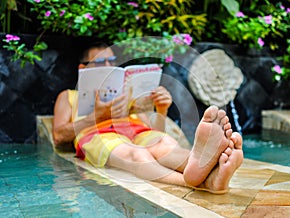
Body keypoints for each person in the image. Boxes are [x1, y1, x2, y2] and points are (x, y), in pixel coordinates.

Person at [52, 42, 244, 194]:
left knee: (165, 145)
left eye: (112, 61)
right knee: (136, 153)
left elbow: (156, 131)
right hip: (96, 134)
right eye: (101, 63)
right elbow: (59, 136)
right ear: (83, 68)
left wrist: (161, 110)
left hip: (137, 130)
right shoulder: (69, 96)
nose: (109, 66)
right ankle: (195, 181)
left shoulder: (127, 92)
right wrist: (97, 117)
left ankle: (209, 174)